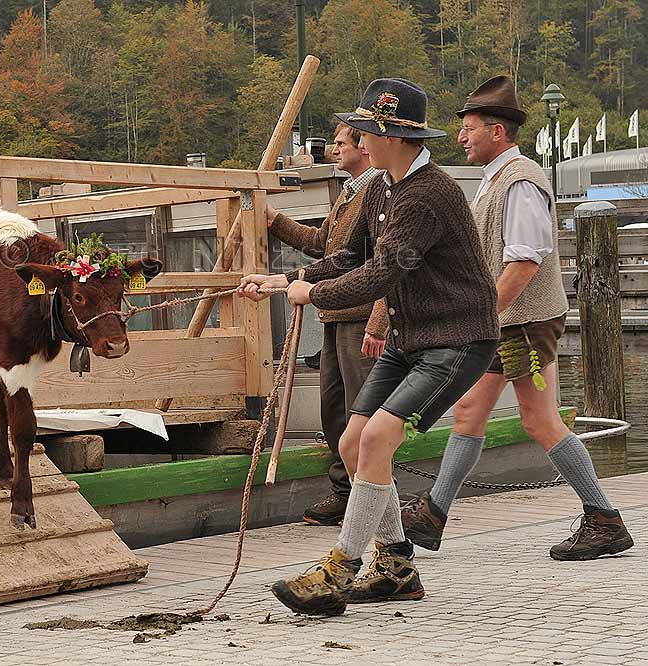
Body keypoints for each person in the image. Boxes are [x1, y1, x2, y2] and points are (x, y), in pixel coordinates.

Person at [239, 77, 499, 616]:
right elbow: (350, 255)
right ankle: (398, 565)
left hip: (458, 338)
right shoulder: (384, 185)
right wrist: (285, 278)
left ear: (393, 137)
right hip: (412, 336)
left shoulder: (428, 196)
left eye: (365, 130)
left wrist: (311, 293)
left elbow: (381, 274)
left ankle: (340, 569)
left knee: (378, 436)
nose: (356, 138)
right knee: (354, 444)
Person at [401, 75, 634, 561]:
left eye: (469, 128)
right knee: (471, 412)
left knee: (539, 419)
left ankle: (604, 519)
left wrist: (479, 316)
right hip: (508, 321)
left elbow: (524, 262)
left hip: (521, 321)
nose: (461, 136)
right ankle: (433, 516)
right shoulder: (499, 178)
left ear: (497, 132)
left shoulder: (520, 180)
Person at [266, 122, 387, 527]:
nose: (333, 150)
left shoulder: (375, 192)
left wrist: (378, 322)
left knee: (362, 411)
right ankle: (346, 491)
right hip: (336, 315)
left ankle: (370, 495)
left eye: (340, 144)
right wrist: (275, 220)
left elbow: (373, 264)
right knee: (333, 410)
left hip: (359, 317)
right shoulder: (349, 194)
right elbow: (323, 244)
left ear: (363, 149)